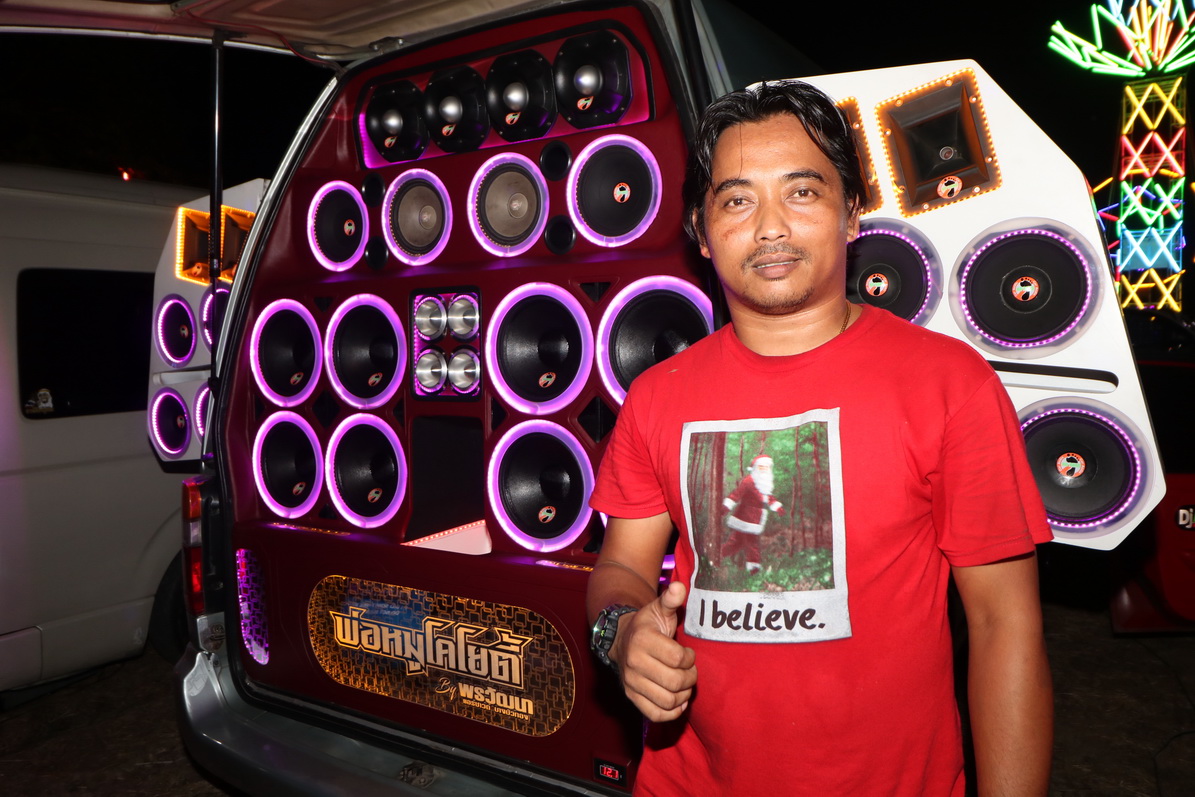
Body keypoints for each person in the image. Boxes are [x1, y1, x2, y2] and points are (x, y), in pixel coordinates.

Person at [586, 81, 1053, 796]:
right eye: (737, 200)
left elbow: (1003, 625)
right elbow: (621, 565)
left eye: (801, 192)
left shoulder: (948, 383)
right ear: (702, 231)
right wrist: (620, 632)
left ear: (851, 214)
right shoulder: (656, 395)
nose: (770, 227)